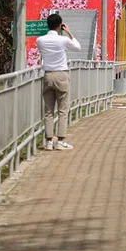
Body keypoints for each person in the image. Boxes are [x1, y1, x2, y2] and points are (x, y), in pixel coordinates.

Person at [36, 13, 79, 151]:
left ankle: (49, 142)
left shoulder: (40, 40)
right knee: (62, 109)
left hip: (48, 75)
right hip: (61, 75)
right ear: (60, 26)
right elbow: (77, 47)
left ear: (47, 24)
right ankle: (60, 141)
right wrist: (69, 32)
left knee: (48, 110)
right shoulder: (62, 40)